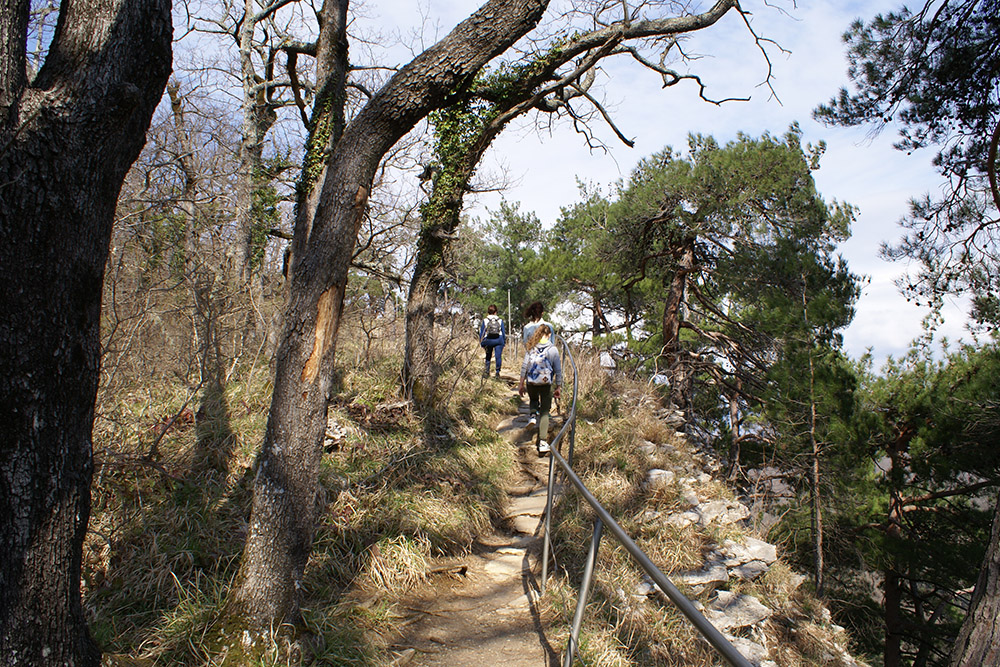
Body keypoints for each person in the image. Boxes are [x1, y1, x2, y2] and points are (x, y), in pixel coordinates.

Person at [519, 323, 562, 456]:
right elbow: (558, 370)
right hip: (546, 383)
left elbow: (524, 366)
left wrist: (521, 384)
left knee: (533, 399)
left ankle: (532, 415)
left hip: (531, 381)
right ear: (549, 335)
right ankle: (543, 442)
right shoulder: (553, 349)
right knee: (544, 411)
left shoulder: (531, 347)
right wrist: (558, 386)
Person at [479, 304, 506, 378]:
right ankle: (497, 372)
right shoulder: (500, 320)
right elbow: (503, 332)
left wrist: (481, 342)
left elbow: (482, 332)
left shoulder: (485, 320)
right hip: (499, 339)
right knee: (498, 356)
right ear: (496, 312)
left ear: (488, 312)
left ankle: (487, 371)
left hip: (488, 339)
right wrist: (504, 342)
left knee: (488, 356)